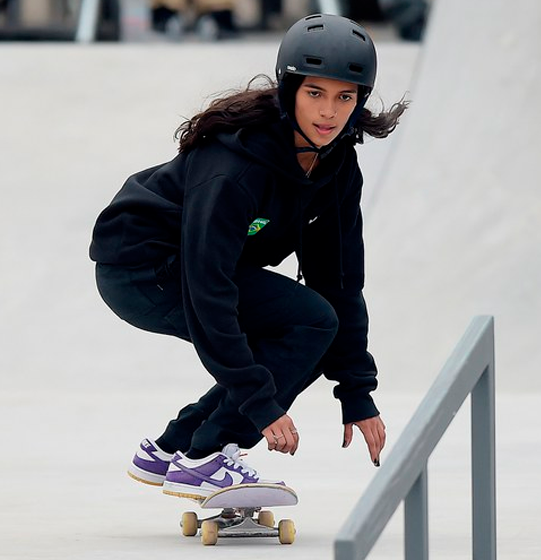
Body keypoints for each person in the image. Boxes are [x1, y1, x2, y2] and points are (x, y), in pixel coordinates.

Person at [90, 13, 407, 500]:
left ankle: (174, 449)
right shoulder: (234, 168)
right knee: (308, 323)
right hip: (141, 268)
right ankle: (207, 456)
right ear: (290, 91)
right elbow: (208, 290)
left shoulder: (337, 166)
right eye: (315, 93)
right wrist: (261, 407)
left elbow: (339, 279)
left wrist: (357, 391)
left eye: (345, 96)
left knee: (314, 321)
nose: (329, 113)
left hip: (195, 268)